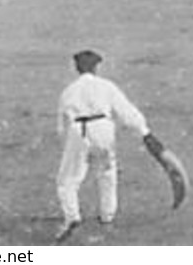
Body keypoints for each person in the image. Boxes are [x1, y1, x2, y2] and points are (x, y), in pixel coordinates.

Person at [54, 49, 152, 242]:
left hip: (78, 129)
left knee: (68, 180)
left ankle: (72, 216)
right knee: (107, 172)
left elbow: (61, 126)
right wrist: (143, 131)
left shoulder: (69, 91)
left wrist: (70, 145)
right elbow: (126, 111)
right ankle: (107, 215)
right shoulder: (106, 86)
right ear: (96, 67)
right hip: (104, 128)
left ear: (77, 67)